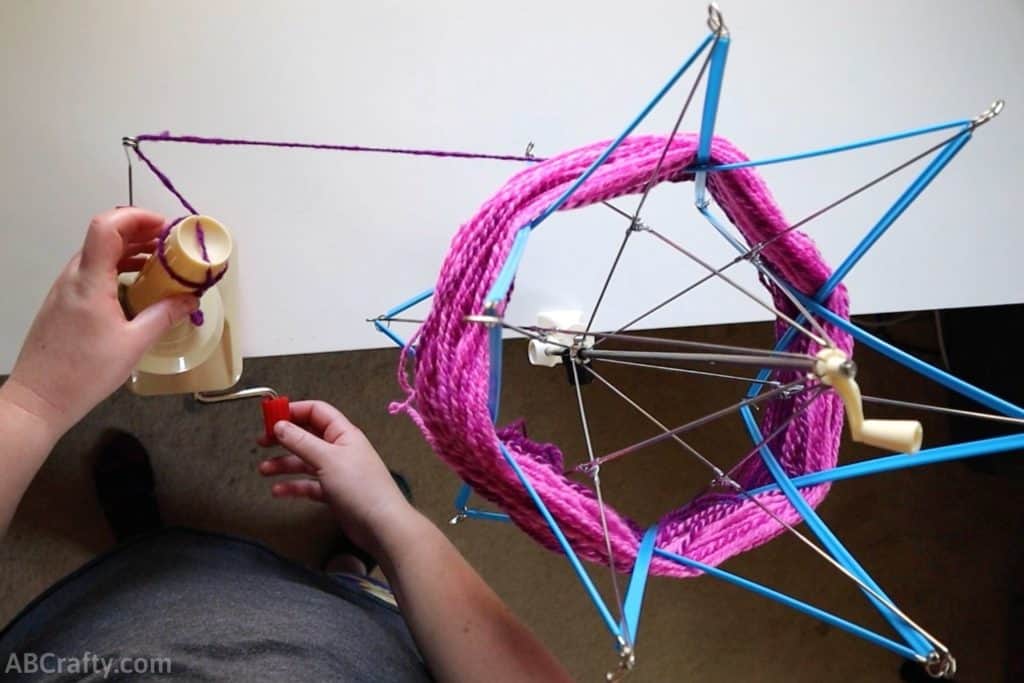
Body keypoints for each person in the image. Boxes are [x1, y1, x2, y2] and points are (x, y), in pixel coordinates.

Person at [0, 208, 572, 682]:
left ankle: (149, 550)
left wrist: (34, 400)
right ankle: (349, 569)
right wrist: (387, 519)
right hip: (350, 637)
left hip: (114, 632)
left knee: (160, 574)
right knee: (352, 595)